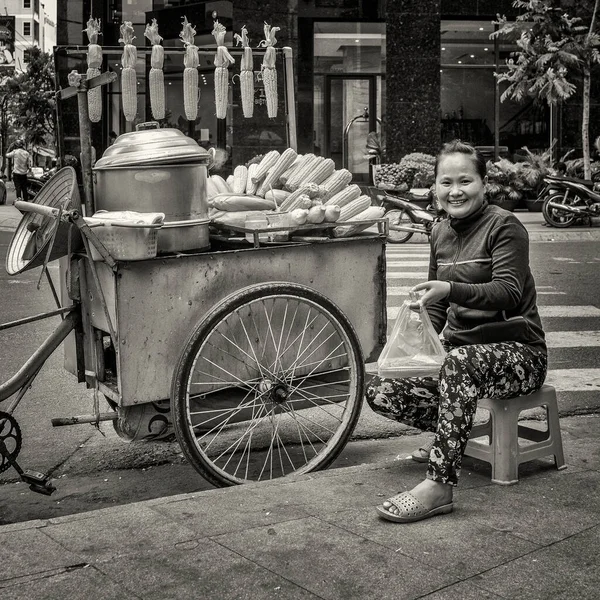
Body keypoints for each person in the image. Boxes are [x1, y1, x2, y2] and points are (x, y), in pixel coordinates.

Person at [367, 139, 547, 524]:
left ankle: (439, 484)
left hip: (518, 352)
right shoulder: (440, 233)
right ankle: (454, 436)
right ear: (434, 187)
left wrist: (451, 288)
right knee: (382, 389)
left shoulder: (505, 226)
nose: (455, 191)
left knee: (459, 363)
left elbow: (509, 290)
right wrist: (416, 339)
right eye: (445, 182)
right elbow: (435, 304)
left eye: (465, 180)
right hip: (460, 358)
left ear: (483, 183)